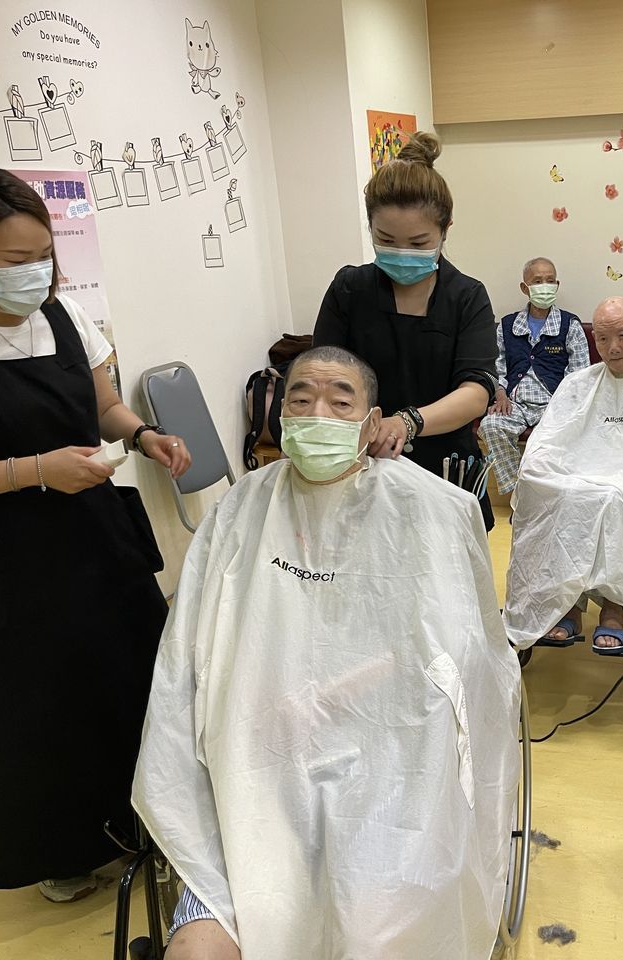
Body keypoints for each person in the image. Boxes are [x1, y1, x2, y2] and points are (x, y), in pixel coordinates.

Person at [134, 346, 522, 960]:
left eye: (341, 402)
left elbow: (460, 654)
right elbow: (190, 651)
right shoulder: (241, 507)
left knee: (369, 938)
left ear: (372, 423)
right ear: (279, 417)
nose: (318, 413)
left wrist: (335, 696)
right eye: (300, 398)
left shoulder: (431, 509)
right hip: (252, 773)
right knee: (198, 952)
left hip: (392, 763)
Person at [0, 168, 191, 902]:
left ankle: (158, 828)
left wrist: (144, 435)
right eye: (15, 259)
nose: (36, 272)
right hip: (5, 562)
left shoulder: (65, 316)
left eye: (44, 255)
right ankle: (65, 854)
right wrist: (33, 471)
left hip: (97, 539)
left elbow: (104, 406)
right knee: (34, 710)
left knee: (136, 683)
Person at [313, 131, 499, 527]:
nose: (402, 253)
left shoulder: (466, 297)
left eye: (418, 243)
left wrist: (406, 422)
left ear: (446, 229)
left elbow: (475, 392)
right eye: (386, 239)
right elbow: (323, 377)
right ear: (370, 227)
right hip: (361, 466)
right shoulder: (350, 290)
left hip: (445, 470)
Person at [504, 296, 623, 653]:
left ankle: (613, 609)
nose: (613, 347)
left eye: (622, 335)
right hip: (579, 471)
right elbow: (548, 440)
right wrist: (536, 471)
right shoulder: (579, 383)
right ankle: (568, 606)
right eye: (603, 339)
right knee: (558, 493)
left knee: (614, 498)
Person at [478, 257, 590, 494]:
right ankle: (519, 494)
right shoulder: (507, 326)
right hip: (515, 404)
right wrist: (500, 394)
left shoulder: (570, 325)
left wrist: (561, 407)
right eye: (537, 281)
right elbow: (496, 366)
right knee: (490, 425)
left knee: (560, 435)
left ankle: (547, 494)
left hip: (554, 405)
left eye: (550, 280)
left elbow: (580, 374)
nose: (544, 286)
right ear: (524, 287)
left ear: (557, 285)